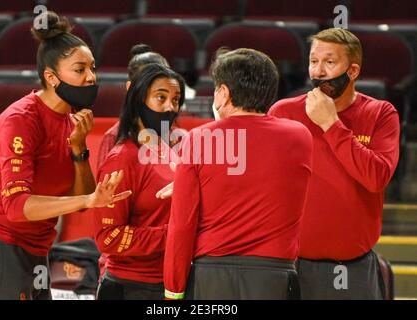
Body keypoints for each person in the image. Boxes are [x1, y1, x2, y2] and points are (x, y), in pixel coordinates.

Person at [0, 11, 130, 300]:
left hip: (38, 250)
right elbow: (17, 207)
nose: (91, 77)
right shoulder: (21, 120)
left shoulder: (70, 122)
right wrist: (88, 200)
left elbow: (81, 202)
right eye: (80, 70)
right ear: (51, 77)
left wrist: (80, 151)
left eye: (93, 68)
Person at [163, 48, 313, 300]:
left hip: (211, 275)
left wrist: (173, 291)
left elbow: (181, 225)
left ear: (223, 93)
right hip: (274, 277)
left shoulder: (199, 138)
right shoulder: (300, 136)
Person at [268, 28, 400, 299]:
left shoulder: (380, 114)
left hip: (353, 268)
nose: (319, 71)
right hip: (291, 264)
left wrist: (331, 124)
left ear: (352, 71)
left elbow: (376, 177)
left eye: (329, 62)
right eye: (313, 61)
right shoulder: (283, 112)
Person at [93, 63, 186, 300]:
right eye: (160, 97)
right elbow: (108, 237)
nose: (170, 107)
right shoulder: (122, 159)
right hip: (130, 286)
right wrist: (173, 235)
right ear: (137, 100)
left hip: (170, 282)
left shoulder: (167, 149)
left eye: (175, 100)